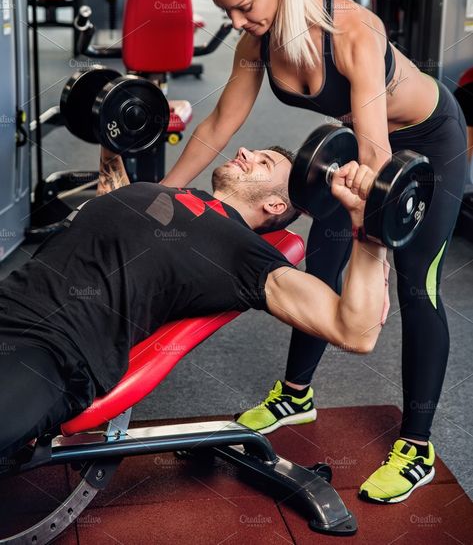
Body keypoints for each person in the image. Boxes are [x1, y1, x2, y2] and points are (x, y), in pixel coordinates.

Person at [160, 0, 468, 503]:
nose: (236, 20)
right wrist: (163, 196)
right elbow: (221, 123)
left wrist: (372, 252)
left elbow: (379, 150)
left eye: (245, 5)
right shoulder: (257, 37)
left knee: (414, 284)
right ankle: (296, 394)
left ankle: (418, 445)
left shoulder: (353, 31)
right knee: (320, 262)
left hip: (425, 145)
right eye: (225, 9)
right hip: (356, 144)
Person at [0, 144, 387, 460]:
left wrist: (369, 227)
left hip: (54, 352)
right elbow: (111, 198)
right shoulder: (165, 193)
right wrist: (113, 134)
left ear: (274, 206)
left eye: (262, 162)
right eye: (255, 151)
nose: (245, 151)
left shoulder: (245, 254)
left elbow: (357, 331)